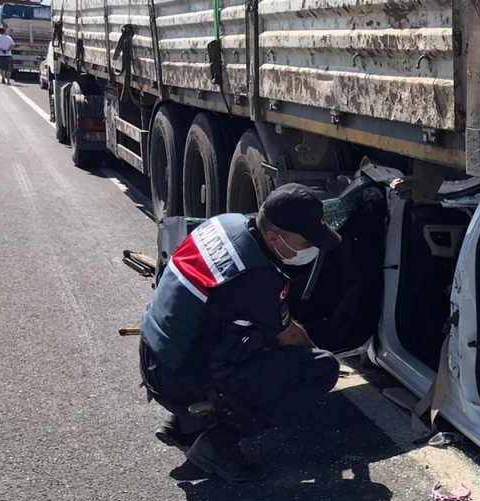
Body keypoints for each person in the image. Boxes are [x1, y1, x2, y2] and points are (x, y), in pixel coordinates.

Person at [139, 184, 341, 482]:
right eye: (306, 241)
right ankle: (218, 443)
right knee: (321, 368)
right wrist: (311, 353)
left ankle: (186, 424)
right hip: (178, 381)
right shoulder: (258, 277)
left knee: (242, 332)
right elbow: (290, 338)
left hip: (154, 357)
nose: (310, 248)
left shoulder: (224, 223)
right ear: (275, 237)